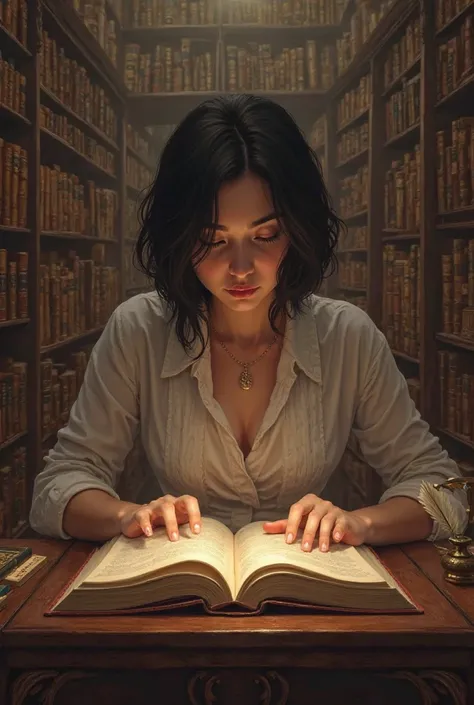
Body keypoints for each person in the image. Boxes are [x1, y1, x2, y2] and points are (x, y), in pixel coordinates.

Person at [30, 93, 466, 552]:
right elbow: (57, 484)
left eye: (265, 236)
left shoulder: (348, 337)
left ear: (297, 232)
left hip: (308, 590)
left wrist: (361, 524)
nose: (241, 268)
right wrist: (128, 515)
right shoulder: (138, 329)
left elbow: (441, 487)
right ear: (179, 239)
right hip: (182, 588)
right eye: (212, 240)